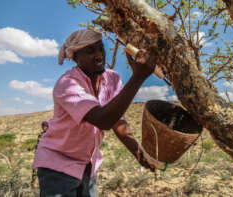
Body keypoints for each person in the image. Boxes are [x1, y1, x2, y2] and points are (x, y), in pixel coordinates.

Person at [32, 29, 156, 197]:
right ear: (75, 57)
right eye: (90, 51)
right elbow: (102, 120)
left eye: (100, 49)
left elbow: (117, 121)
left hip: (88, 165)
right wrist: (138, 77)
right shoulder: (67, 84)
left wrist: (139, 153)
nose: (99, 55)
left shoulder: (112, 79)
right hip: (58, 166)